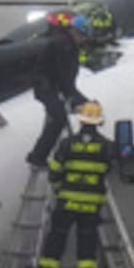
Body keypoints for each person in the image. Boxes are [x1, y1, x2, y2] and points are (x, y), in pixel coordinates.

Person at [29, 100, 117, 268]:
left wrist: (60, 189)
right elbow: (109, 168)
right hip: (92, 203)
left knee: (57, 237)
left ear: (81, 120)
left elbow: (55, 169)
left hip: (67, 201)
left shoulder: (67, 144)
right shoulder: (107, 147)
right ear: (99, 122)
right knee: (87, 238)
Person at [25, 10, 90, 169]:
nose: (83, 40)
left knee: (57, 116)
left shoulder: (65, 43)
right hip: (47, 87)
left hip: (50, 86)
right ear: (75, 32)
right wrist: (77, 98)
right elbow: (64, 77)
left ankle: (42, 154)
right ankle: (38, 157)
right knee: (58, 118)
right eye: (82, 36)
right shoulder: (64, 46)